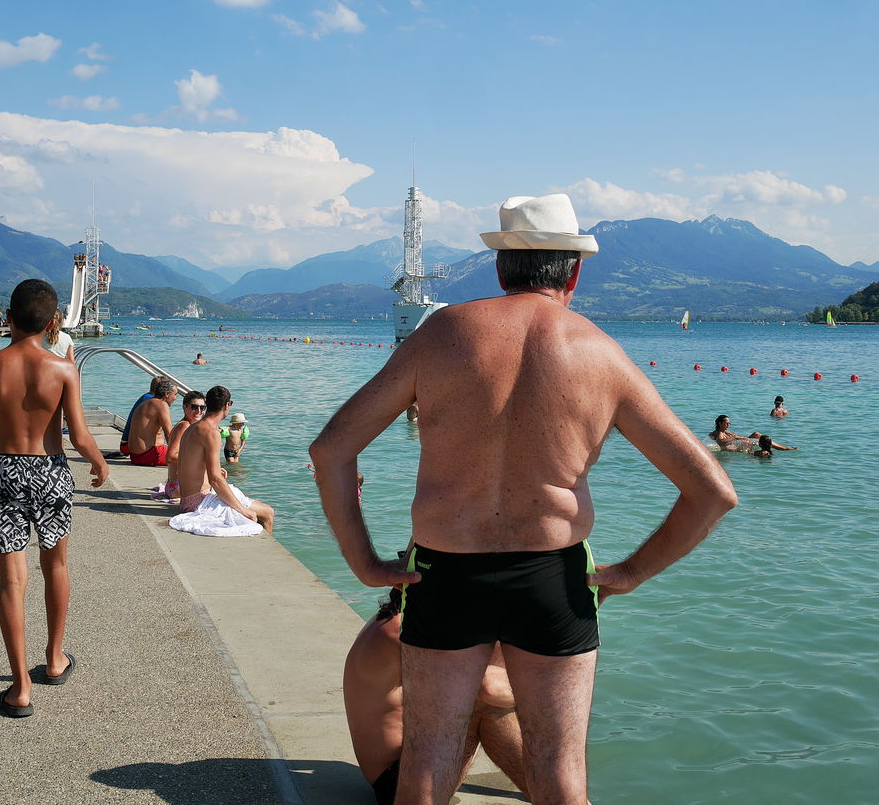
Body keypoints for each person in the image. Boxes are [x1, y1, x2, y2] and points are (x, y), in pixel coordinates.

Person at [309, 193, 738, 805]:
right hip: (553, 577)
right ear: (575, 271)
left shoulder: (443, 334)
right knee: (560, 774)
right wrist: (630, 573)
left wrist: (365, 563)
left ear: (500, 267)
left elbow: (331, 451)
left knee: (426, 768)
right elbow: (713, 492)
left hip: (444, 572)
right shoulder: (601, 353)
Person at [0, 279, 109, 718]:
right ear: (52, 324)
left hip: (5, 468)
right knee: (56, 565)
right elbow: (79, 435)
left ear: (7, 318)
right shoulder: (64, 369)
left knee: (11, 581)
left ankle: (20, 688)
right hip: (50, 471)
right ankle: (54, 659)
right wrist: (99, 463)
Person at [345, 586, 528, 805]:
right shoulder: (403, 633)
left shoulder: (393, 620)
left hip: (405, 766)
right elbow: (489, 689)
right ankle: (547, 790)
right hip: (399, 784)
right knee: (486, 705)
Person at [174, 385, 274, 532]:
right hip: (199, 502)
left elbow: (190, 464)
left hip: (187, 499)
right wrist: (244, 511)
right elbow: (215, 480)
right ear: (227, 405)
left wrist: (212, 470)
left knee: (253, 504)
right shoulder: (211, 432)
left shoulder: (192, 428)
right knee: (267, 513)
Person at [153, 390, 206, 503]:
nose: (199, 411)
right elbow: (170, 457)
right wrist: (200, 460)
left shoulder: (189, 425)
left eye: (202, 407)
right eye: (194, 407)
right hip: (177, 487)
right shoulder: (184, 426)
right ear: (185, 407)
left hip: (175, 485)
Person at [127, 377, 177, 466]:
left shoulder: (145, 403)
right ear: (167, 394)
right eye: (175, 394)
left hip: (135, 455)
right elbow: (169, 435)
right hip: (149, 454)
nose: (175, 398)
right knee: (190, 457)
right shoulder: (162, 405)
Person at [710, 415, 797, 451]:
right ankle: (784, 448)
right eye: (727, 423)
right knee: (760, 437)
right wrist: (735, 437)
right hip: (737, 447)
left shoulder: (720, 431)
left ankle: (783, 447)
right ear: (720, 423)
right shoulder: (720, 434)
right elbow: (720, 441)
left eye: (729, 423)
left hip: (739, 444)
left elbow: (712, 435)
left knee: (756, 434)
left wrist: (726, 432)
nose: (729, 425)